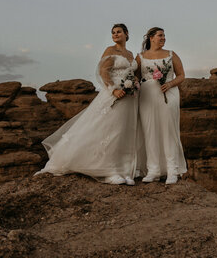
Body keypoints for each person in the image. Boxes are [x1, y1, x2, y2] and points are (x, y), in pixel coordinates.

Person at [35, 24, 139, 185]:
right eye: (113, 32)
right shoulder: (110, 50)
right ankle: (108, 171)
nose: (115, 34)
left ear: (126, 34)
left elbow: (132, 73)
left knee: (122, 131)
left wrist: (135, 83)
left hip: (129, 97)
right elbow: (103, 71)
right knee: (108, 129)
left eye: (119, 32)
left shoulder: (131, 54)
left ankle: (123, 169)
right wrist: (113, 90)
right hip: (115, 94)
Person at [137, 27, 187, 184]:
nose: (163, 38)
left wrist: (170, 83)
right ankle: (153, 170)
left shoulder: (171, 54)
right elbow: (136, 78)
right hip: (147, 96)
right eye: (160, 35)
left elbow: (181, 75)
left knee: (168, 130)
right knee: (150, 130)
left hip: (168, 95)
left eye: (164, 35)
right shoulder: (141, 57)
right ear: (151, 38)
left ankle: (172, 170)